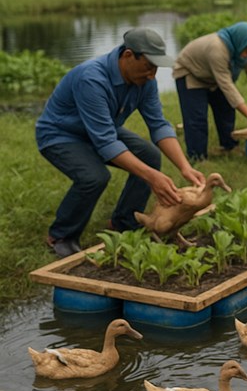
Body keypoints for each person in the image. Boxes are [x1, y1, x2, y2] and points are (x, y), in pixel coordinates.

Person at [35, 28, 205, 258]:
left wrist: (184, 167)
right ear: (127, 56)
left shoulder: (144, 81)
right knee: (94, 177)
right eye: (148, 66)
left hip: (102, 131)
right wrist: (151, 177)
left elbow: (158, 125)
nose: (152, 74)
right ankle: (61, 235)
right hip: (61, 135)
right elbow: (105, 143)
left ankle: (124, 223)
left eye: (156, 68)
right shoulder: (92, 79)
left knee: (150, 156)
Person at [173, 21, 247, 160]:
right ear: (239, 41)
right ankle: (197, 157)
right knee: (197, 118)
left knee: (226, 111)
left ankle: (228, 147)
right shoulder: (217, 48)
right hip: (191, 73)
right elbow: (227, 86)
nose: (246, 54)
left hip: (213, 77)